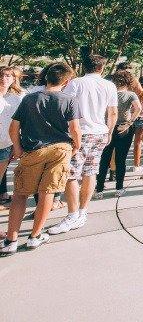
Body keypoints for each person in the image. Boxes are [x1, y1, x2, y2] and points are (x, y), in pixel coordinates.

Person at [1, 62, 81, 255]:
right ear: (67, 81)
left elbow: (14, 129)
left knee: (20, 193)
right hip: (60, 150)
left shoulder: (29, 99)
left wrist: (18, 150)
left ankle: (11, 240)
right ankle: (34, 237)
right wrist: (75, 148)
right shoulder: (69, 100)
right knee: (48, 192)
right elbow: (75, 129)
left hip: (33, 150)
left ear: (46, 77)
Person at [48, 55, 116, 236]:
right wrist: (109, 132)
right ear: (102, 67)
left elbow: (64, 106)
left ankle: (72, 214)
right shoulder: (109, 85)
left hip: (80, 131)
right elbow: (113, 112)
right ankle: (82, 212)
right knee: (90, 172)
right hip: (100, 131)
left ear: (83, 66)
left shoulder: (76, 83)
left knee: (71, 174)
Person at [95, 71, 141, 197]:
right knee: (121, 159)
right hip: (124, 128)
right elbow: (138, 108)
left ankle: (99, 189)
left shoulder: (108, 93)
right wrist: (130, 122)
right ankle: (119, 188)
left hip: (106, 126)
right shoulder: (131, 94)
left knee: (104, 159)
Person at [0, 66, 24, 211]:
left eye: (8, 76)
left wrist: (17, 146)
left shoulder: (16, 99)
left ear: (14, 79)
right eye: (1, 75)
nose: (4, 79)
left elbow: (19, 125)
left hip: (5, 145)